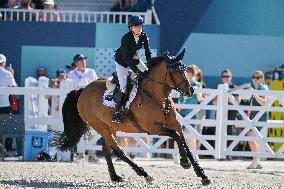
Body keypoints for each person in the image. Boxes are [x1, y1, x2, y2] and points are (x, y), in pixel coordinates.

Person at [112, 15, 152, 124]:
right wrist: (136, 71)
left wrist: (151, 65)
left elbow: (148, 53)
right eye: (135, 26)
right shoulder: (125, 38)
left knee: (149, 75)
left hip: (134, 59)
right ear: (130, 27)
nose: (138, 28)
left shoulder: (144, 36)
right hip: (122, 62)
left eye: (140, 26)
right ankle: (118, 112)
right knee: (124, 87)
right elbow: (126, 58)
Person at [177, 65, 204, 160]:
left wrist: (196, 91)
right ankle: (177, 154)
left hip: (192, 113)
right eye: (186, 72)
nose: (188, 74)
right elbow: (178, 97)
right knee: (178, 134)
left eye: (189, 73)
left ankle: (194, 154)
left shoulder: (197, 84)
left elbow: (200, 99)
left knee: (191, 134)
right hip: (181, 112)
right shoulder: (181, 83)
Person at [246, 70, 268, 169]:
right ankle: (257, 161)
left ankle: (256, 160)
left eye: (258, 77)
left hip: (260, 117)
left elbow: (264, 102)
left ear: (261, 79)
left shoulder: (262, 87)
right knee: (252, 138)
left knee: (250, 136)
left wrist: (255, 94)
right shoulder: (256, 88)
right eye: (254, 77)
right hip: (255, 116)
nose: (255, 79)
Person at [220, 69, 240, 160]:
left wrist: (227, 99)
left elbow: (237, 101)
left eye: (227, 76)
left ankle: (229, 153)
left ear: (230, 77)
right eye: (224, 76)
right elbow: (214, 101)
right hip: (220, 112)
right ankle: (220, 153)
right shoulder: (219, 87)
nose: (226, 78)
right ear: (221, 78)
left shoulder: (234, 87)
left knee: (230, 131)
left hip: (231, 112)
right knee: (219, 131)